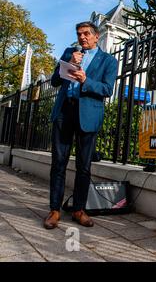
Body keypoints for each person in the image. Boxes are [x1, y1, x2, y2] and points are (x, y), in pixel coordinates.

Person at [43, 21, 118, 229]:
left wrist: (86, 80)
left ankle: (78, 210)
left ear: (96, 36)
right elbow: (55, 82)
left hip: (88, 115)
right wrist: (67, 62)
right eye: (79, 34)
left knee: (83, 167)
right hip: (64, 113)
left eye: (86, 34)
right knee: (58, 163)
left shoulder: (108, 61)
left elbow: (107, 89)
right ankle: (54, 210)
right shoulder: (70, 52)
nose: (82, 37)